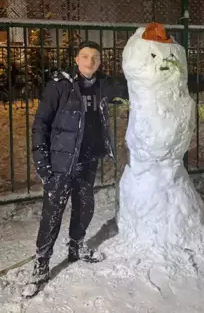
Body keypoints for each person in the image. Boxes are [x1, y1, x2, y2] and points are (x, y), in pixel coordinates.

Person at [23, 40, 127, 297]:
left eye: (95, 57)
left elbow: (131, 86)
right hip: (61, 162)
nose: (90, 61)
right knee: (52, 214)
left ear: (100, 62)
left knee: (85, 206)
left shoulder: (103, 85)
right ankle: (42, 263)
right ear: (76, 59)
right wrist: (42, 161)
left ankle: (76, 246)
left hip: (88, 159)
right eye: (85, 56)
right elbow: (41, 124)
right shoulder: (60, 86)